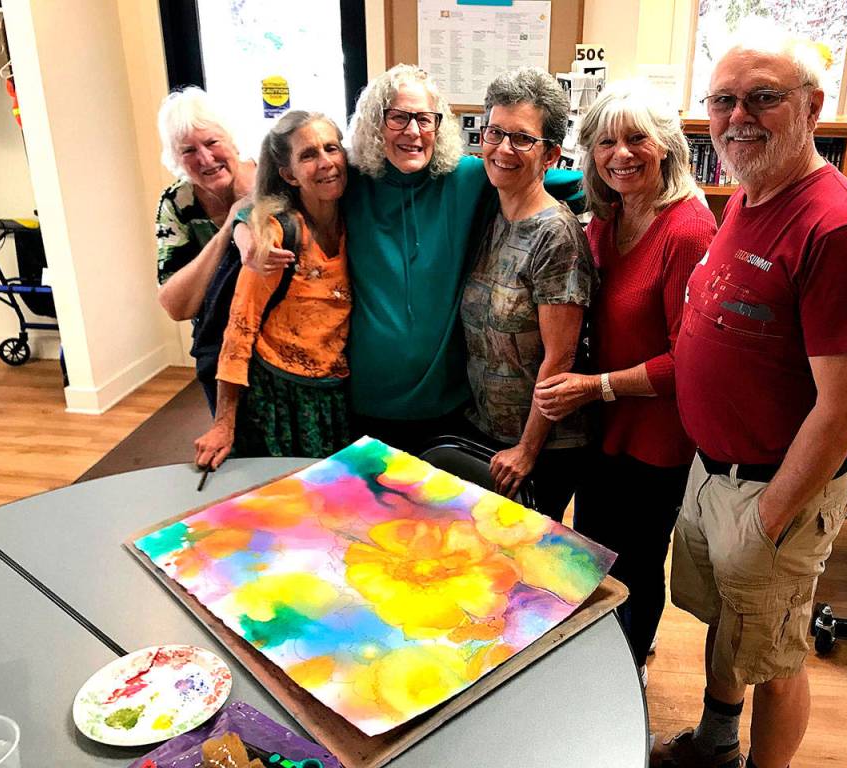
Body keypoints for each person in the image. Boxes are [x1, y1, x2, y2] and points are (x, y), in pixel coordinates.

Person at [653, 34, 847, 768]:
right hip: (715, 471)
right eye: (723, 100)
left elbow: (844, 407)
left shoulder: (840, 224)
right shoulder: (750, 193)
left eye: (763, 96)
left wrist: (771, 514)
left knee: (777, 653)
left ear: (812, 107)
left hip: (771, 491)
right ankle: (717, 742)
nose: (738, 116)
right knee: (734, 625)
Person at [236, 64, 582, 454]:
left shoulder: (468, 177)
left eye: (424, 118)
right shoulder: (351, 181)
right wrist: (241, 228)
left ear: (439, 125)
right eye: (398, 117)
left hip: (450, 405)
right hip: (367, 399)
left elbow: (556, 181)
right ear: (376, 124)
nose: (413, 131)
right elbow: (274, 194)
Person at [533, 80, 716, 672]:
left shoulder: (686, 229)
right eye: (605, 142)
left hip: (654, 430)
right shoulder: (607, 215)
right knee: (593, 551)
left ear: (666, 145)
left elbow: (689, 360)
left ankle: (628, 671)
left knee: (635, 562)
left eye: (637, 138)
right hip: (603, 424)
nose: (621, 154)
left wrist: (595, 386)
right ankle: (598, 660)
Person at [459, 67, 596, 520]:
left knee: (521, 577)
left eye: (522, 139)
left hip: (540, 447)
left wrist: (527, 449)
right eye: (496, 132)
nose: (502, 149)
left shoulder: (556, 236)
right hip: (486, 430)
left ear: (551, 154)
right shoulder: (488, 212)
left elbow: (559, 360)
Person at [194, 111, 351, 470]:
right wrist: (223, 423)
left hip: (332, 394)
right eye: (308, 155)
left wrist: (240, 222)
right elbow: (240, 328)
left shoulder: (354, 217)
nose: (326, 162)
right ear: (288, 174)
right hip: (275, 397)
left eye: (331, 148)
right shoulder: (275, 236)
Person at [154, 87, 256, 413]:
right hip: (218, 344)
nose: (206, 158)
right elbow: (175, 304)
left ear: (232, 140)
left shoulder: (275, 180)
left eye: (212, 142)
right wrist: (228, 228)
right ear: (175, 158)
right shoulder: (177, 203)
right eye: (188, 150)